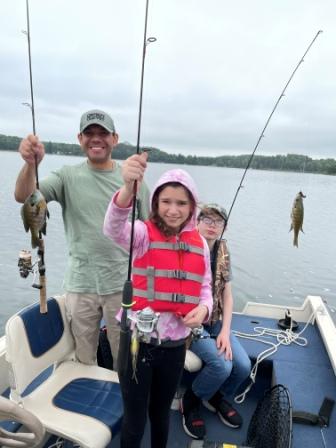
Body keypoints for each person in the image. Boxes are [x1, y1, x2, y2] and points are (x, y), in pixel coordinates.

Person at [14, 109, 150, 367]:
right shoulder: (66, 176)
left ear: (115, 138)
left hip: (123, 285)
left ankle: (126, 402)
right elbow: (24, 196)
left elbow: (151, 234)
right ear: (79, 138)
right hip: (80, 283)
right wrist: (30, 165)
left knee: (126, 356)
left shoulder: (134, 180)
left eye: (103, 133)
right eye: (89, 133)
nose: (95, 139)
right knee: (83, 357)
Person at [103, 152, 213, 448]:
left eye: (181, 203)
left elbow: (205, 288)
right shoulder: (140, 233)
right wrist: (128, 187)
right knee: (135, 420)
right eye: (166, 202)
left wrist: (204, 308)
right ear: (155, 203)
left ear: (192, 207)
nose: (173, 210)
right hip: (138, 344)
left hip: (175, 346)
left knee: (161, 415)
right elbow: (112, 228)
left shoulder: (199, 243)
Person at [181, 203, 251, 440]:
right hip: (190, 326)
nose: (212, 226)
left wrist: (225, 331)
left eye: (218, 221)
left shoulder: (223, 251)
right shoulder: (184, 247)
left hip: (217, 321)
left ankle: (214, 396)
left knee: (242, 366)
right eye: (207, 220)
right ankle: (190, 401)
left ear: (225, 227)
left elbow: (228, 296)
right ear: (197, 222)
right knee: (222, 366)